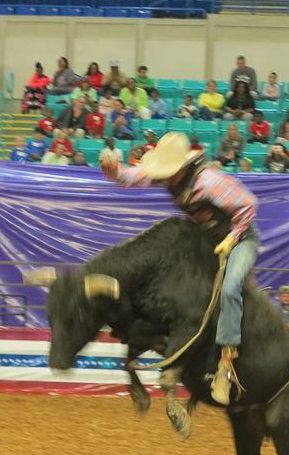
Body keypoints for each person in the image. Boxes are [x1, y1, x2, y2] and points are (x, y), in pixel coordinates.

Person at [103, 133, 259, 417]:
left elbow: (248, 205)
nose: (162, 177)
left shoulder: (208, 183)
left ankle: (226, 364)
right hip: (207, 242)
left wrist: (233, 237)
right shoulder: (170, 178)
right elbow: (134, 177)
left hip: (241, 239)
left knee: (230, 288)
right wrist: (114, 173)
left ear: (181, 169)